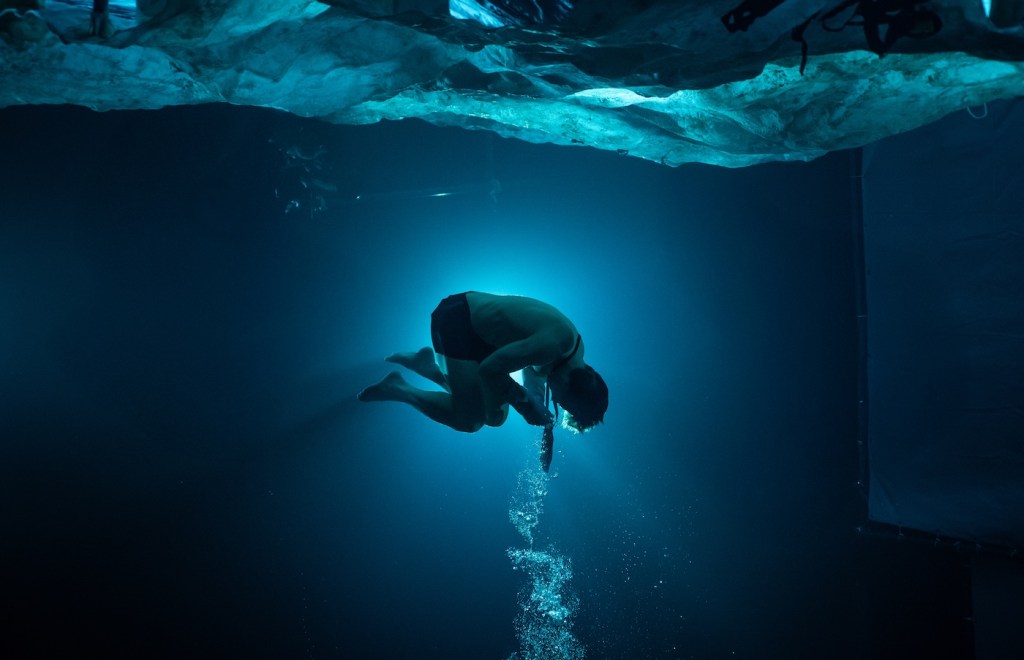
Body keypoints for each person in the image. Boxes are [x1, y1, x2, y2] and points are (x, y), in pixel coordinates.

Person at [358, 292, 608, 440]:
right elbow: (489, 370)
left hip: (485, 341)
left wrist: (532, 401)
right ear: (566, 382)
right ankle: (400, 388)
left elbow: (532, 370)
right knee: (471, 420)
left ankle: (427, 367)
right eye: (559, 399)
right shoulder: (554, 346)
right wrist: (523, 407)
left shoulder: (571, 355)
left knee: (496, 417)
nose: (553, 398)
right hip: (458, 321)